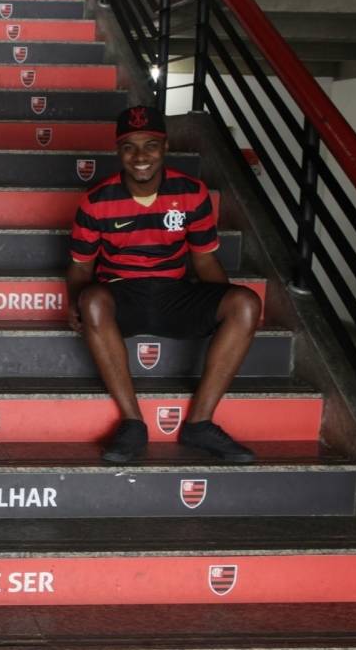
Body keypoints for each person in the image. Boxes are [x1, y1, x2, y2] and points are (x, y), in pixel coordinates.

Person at [66, 106, 262, 463]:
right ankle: (132, 423)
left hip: (174, 293)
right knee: (91, 299)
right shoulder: (96, 201)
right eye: (129, 146)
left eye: (150, 145)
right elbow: (81, 268)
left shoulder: (192, 192)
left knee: (246, 303)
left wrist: (226, 305)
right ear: (118, 151)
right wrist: (73, 304)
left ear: (165, 147)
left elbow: (203, 259)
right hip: (122, 295)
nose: (140, 156)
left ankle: (200, 423)